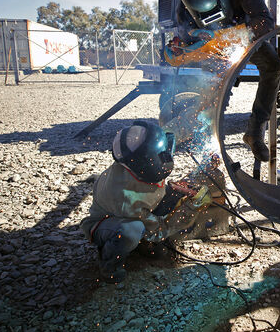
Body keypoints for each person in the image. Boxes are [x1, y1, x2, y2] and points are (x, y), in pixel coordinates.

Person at [168, 0, 280, 162]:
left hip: (248, 34)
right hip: (214, 49)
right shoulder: (183, 10)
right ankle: (208, 147)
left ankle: (255, 132)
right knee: (215, 91)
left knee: (273, 66)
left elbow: (265, 22)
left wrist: (230, 35)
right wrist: (178, 50)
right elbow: (182, 43)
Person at [80, 121, 211, 283]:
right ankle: (109, 265)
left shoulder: (134, 161)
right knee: (131, 230)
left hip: (134, 209)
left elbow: (165, 138)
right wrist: (192, 207)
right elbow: (160, 230)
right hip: (104, 224)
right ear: (153, 163)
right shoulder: (127, 199)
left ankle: (142, 243)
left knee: (171, 197)